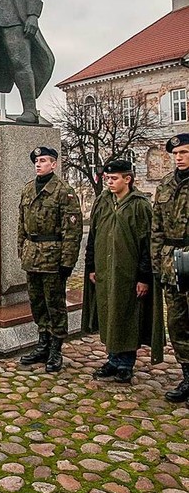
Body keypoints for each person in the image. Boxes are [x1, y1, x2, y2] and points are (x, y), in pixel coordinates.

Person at [83, 159, 164, 383]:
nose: (109, 182)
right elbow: (93, 236)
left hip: (128, 273)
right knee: (109, 313)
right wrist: (91, 266)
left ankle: (126, 363)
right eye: (107, 178)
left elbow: (148, 243)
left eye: (114, 178)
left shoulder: (140, 205)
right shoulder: (103, 201)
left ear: (127, 179)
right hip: (105, 271)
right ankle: (112, 359)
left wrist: (144, 277)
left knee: (127, 316)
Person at [18, 146, 83, 372]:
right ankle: (42, 344)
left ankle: (56, 348)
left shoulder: (64, 191)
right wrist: (22, 250)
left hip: (53, 258)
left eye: (44, 160)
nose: (39, 164)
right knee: (36, 303)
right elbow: (21, 225)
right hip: (32, 255)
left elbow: (72, 232)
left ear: (54, 164)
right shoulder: (28, 190)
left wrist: (67, 262)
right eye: (36, 160)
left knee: (54, 305)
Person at [151, 133, 189, 402]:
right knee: (177, 323)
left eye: (184, 152)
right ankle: (187, 375)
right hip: (171, 263)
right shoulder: (164, 186)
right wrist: (156, 263)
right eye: (176, 154)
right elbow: (156, 229)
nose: (179, 157)